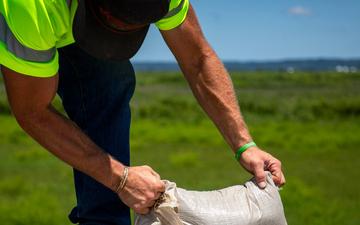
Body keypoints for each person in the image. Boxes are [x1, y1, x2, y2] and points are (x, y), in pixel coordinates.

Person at [0, 0, 286, 224]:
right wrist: (121, 178)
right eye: (111, 25)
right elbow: (31, 110)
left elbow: (198, 59)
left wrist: (244, 144)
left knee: (109, 81)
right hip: (35, 18)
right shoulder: (33, 8)